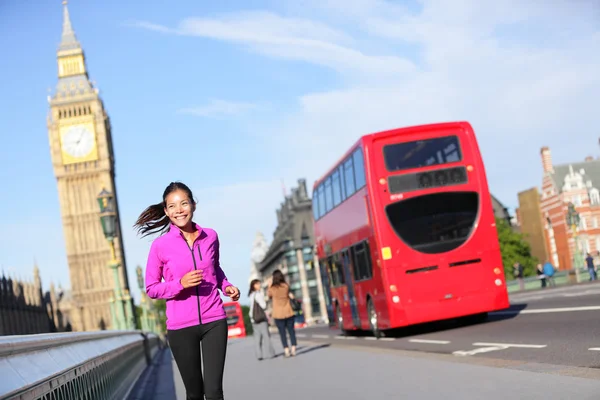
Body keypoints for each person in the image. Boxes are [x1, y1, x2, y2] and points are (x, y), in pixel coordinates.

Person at [134, 182, 240, 400]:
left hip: (214, 320)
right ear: (166, 211)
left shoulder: (210, 236)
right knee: (194, 394)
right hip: (181, 327)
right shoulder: (160, 246)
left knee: (213, 392)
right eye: (172, 206)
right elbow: (151, 288)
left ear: (193, 205)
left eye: (184, 203)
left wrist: (226, 285)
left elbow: (215, 269)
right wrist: (180, 284)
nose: (179, 210)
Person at [267, 269, 297, 357]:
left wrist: (269, 286)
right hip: (288, 311)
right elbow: (289, 295)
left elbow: (269, 296)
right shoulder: (286, 286)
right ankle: (294, 349)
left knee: (282, 333)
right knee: (291, 331)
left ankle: (286, 350)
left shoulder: (272, 288)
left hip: (278, 314)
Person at [248, 279, 276, 361]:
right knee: (266, 336)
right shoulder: (258, 294)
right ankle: (271, 353)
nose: (259, 285)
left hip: (253, 319)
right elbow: (263, 306)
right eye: (258, 284)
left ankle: (259, 355)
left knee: (257, 338)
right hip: (261, 319)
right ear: (254, 285)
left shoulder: (251, 295)